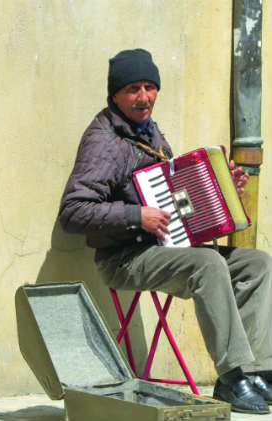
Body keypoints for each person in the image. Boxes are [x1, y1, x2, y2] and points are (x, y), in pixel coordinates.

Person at [59, 48, 272, 414]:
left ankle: (259, 372)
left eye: (149, 87)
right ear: (114, 94)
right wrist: (134, 215)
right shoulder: (103, 141)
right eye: (132, 89)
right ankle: (232, 377)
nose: (143, 97)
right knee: (207, 264)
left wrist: (224, 193)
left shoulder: (149, 133)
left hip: (161, 249)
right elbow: (73, 212)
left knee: (257, 264)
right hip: (123, 258)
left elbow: (178, 207)